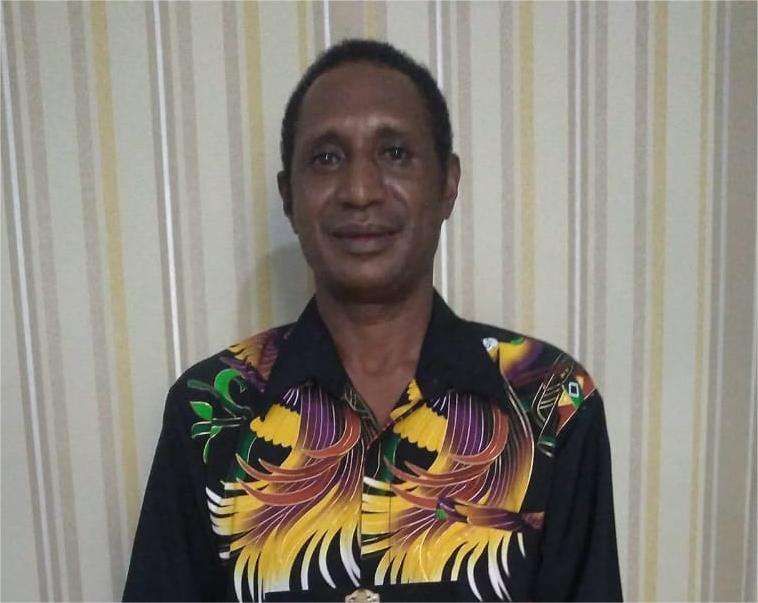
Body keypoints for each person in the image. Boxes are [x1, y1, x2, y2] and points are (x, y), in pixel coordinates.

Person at [123, 39, 622, 603]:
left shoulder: (551, 402)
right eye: (326, 158)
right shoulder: (210, 408)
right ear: (289, 196)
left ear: (447, 183)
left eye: (395, 153)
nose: (360, 191)